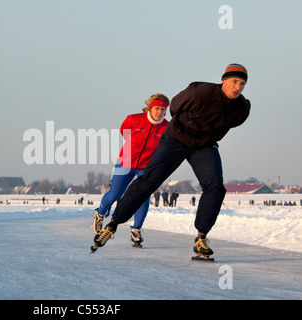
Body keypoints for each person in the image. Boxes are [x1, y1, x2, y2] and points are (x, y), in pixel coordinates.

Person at [94, 64, 251, 259]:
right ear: (223, 80)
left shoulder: (242, 108)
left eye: (242, 83)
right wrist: (187, 127)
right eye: (234, 82)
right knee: (149, 180)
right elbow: (176, 106)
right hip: (177, 138)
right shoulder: (198, 92)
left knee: (215, 186)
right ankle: (114, 224)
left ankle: (201, 237)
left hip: (204, 145)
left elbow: (232, 123)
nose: (238, 87)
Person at [92, 93, 170, 246]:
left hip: (147, 167)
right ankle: (100, 213)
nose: (159, 112)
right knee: (115, 194)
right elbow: (124, 132)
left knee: (143, 197)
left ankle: (136, 229)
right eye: (157, 108)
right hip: (126, 162)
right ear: (150, 107)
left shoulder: (166, 127)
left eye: (162, 109)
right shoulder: (134, 119)